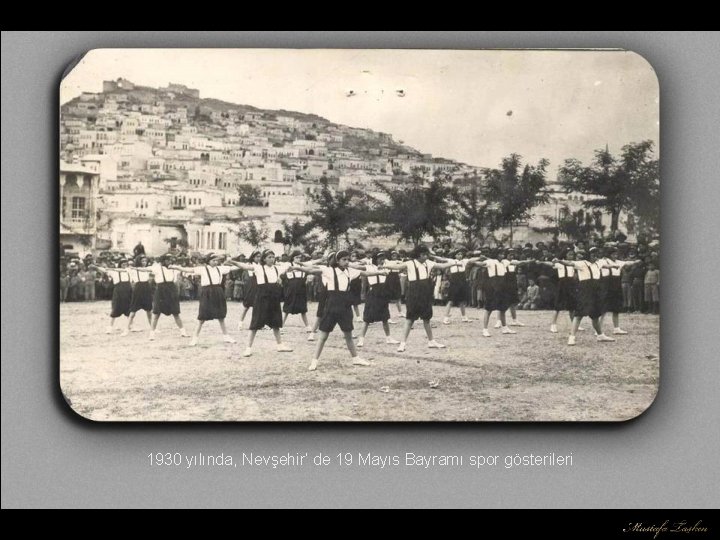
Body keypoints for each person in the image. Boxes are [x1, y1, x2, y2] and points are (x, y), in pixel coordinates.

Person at [299, 250, 388, 371]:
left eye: (348, 259)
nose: (346, 262)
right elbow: (311, 270)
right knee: (323, 336)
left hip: (345, 305)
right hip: (331, 305)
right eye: (343, 260)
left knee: (348, 335)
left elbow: (366, 273)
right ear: (337, 261)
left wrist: (381, 272)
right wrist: (295, 268)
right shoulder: (329, 270)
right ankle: (314, 361)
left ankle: (355, 358)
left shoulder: (350, 271)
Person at [382, 245, 457, 352]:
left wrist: (455, 263)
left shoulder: (429, 263)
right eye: (423, 254)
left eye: (426, 254)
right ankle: (403, 343)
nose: (425, 256)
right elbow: (398, 267)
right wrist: (386, 266)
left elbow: (442, 266)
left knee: (426, 318)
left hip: (425, 292)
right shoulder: (410, 263)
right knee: (410, 319)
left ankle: (431, 341)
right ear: (418, 255)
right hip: (414, 293)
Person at [229, 250, 297, 357]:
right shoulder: (258, 268)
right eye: (269, 257)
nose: (272, 259)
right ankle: (248, 348)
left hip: (274, 299)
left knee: (276, 323)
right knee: (255, 324)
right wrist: (233, 262)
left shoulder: (277, 268)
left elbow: (290, 265)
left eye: (273, 257)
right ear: (264, 259)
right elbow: (245, 267)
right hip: (262, 299)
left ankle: (280, 345)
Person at [555, 247, 623, 346]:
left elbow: (606, 266)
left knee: (595, 316)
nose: (595, 256)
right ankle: (572, 337)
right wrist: (559, 261)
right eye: (593, 254)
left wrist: (615, 266)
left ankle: (600, 335)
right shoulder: (582, 263)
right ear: (588, 255)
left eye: (596, 254)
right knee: (579, 315)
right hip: (585, 290)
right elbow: (569, 263)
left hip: (595, 291)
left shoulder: (598, 263)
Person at [170, 254, 237, 346]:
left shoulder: (220, 269)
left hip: (218, 292)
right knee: (202, 317)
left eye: (217, 260)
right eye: (213, 260)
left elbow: (234, 268)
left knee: (221, 316)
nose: (216, 262)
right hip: (207, 293)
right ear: (208, 261)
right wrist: (176, 267)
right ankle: (195, 338)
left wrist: (234, 262)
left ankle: (226, 336)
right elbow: (188, 269)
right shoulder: (202, 269)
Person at [137, 254, 189, 340]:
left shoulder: (174, 268)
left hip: (171, 289)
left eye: (171, 260)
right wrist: (135, 268)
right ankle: (152, 334)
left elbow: (184, 270)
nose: (170, 261)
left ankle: (183, 332)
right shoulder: (156, 267)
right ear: (163, 261)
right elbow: (146, 269)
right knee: (156, 313)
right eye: (168, 260)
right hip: (161, 290)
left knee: (176, 312)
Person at [357, 251, 401, 348]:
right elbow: (361, 269)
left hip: (382, 293)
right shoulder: (369, 267)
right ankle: (361, 339)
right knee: (367, 318)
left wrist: (385, 266)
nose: (382, 260)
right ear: (375, 259)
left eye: (383, 258)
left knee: (385, 317)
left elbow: (396, 265)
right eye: (380, 258)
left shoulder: (386, 268)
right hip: (373, 293)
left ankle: (388, 338)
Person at [600, 246, 643, 334]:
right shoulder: (603, 261)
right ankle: (598, 329)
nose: (615, 256)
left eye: (616, 254)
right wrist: (613, 265)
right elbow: (602, 266)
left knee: (616, 307)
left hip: (616, 285)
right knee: (603, 308)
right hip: (607, 285)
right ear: (609, 254)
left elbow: (627, 263)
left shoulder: (619, 262)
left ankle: (616, 328)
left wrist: (636, 261)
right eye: (613, 254)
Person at [438, 248, 481, 324]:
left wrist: (481, 257)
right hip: (454, 283)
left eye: (461, 254)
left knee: (462, 301)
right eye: (458, 254)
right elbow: (441, 259)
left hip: (462, 282)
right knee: (450, 301)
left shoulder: (464, 261)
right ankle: (446, 318)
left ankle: (464, 317)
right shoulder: (451, 261)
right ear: (455, 255)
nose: (460, 256)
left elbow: (471, 260)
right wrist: (431, 256)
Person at [90, 259, 133, 335]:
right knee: (115, 310)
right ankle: (109, 327)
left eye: (126, 264)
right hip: (118, 292)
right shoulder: (113, 272)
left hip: (127, 292)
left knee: (129, 310)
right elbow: (104, 270)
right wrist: (96, 267)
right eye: (123, 264)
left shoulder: (129, 271)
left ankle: (130, 326)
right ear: (120, 265)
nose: (124, 266)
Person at [282, 250, 312, 332]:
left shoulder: (303, 267)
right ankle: (281, 325)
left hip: (301, 290)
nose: (298, 259)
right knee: (287, 308)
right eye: (296, 257)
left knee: (303, 309)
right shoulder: (288, 265)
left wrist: (309, 279)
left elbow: (310, 271)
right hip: (291, 290)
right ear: (292, 258)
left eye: (300, 257)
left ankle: (307, 326)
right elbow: (281, 273)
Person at [127, 255, 153, 333]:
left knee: (149, 310)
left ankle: (152, 327)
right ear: (139, 261)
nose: (144, 263)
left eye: (145, 261)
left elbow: (148, 270)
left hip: (146, 287)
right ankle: (127, 327)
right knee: (133, 310)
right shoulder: (133, 270)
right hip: (138, 288)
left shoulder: (148, 269)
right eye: (142, 261)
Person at [237, 251, 261, 330]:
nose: (259, 258)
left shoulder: (260, 266)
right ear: (253, 257)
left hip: (259, 288)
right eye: (257, 256)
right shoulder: (250, 265)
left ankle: (257, 324)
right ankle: (240, 323)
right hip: (251, 288)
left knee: (258, 307)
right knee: (246, 307)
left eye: (260, 257)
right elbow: (249, 278)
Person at [385, 250, 405, 323]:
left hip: (396, 277)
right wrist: (398, 263)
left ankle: (400, 312)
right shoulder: (388, 262)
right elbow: (392, 264)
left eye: (395, 255)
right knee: (389, 297)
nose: (394, 256)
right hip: (390, 278)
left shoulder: (399, 261)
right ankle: (388, 316)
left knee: (398, 295)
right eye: (393, 255)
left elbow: (402, 265)